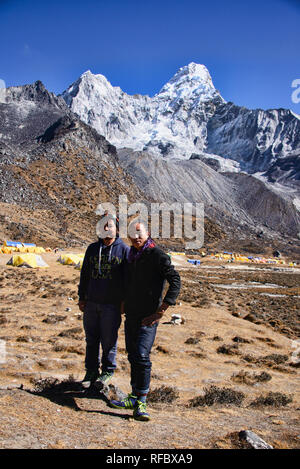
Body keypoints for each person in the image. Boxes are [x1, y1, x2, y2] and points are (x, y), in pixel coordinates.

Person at [110, 218, 181, 421]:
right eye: (133, 233)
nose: (137, 236)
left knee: (142, 355)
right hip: (131, 314)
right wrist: (123, 301)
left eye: (140, 232)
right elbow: (127, 281)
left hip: (148, 317)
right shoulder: (131, 256)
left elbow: (175, 280)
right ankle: (134, 396)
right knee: (133, 355)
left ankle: (142, 401)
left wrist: (163, 309)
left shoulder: (157, 255)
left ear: (147, 233)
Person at [78, 214, 129, 389]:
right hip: (91, 302)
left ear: (117, 229)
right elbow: (84, 274)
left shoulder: (124, 250)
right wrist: (81, 297)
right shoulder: (92, 249)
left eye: (109, 226)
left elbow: (128, 280)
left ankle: (107, 371)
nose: (106, 229)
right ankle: (91, 371)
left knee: (109, 340)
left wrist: (124, 302)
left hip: (112, 305)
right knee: (91, 339)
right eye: (102, 226)